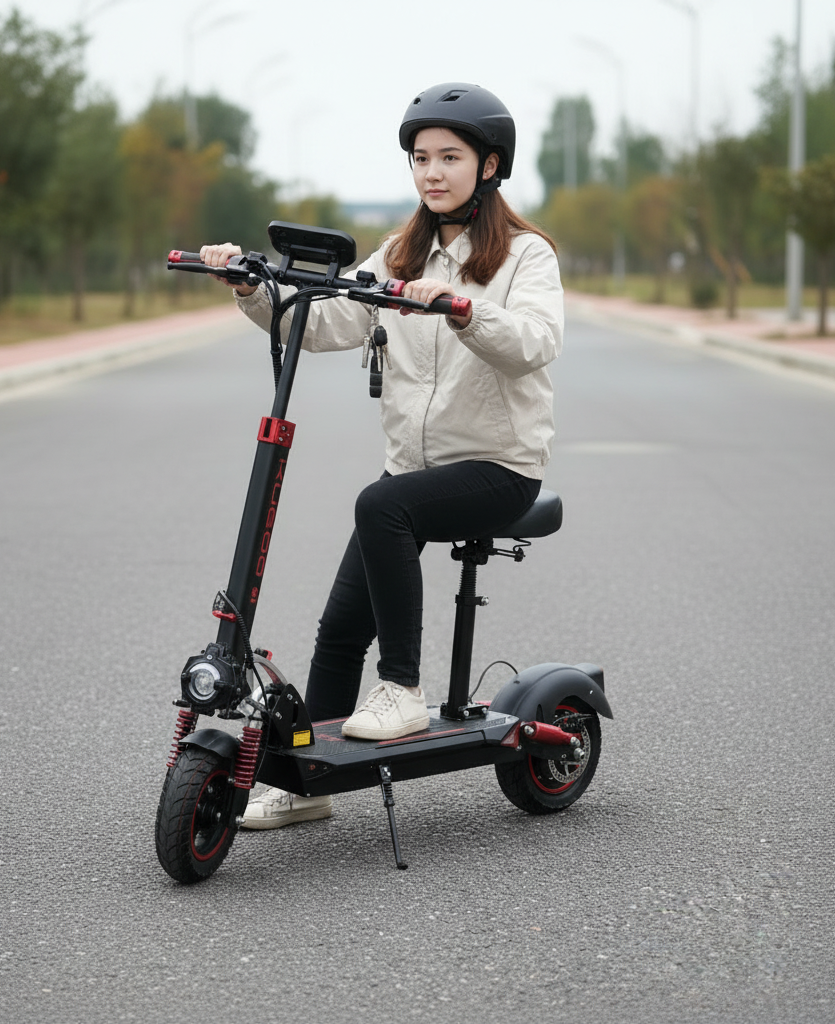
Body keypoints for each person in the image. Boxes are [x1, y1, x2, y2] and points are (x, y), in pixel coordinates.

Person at [198, 82, 564, 829]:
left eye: (450, 157)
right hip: (414, 474)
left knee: (379, 503)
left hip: (499, 467)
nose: (432, 172)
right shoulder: (399, 253)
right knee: (339, 630)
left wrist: (463, 310)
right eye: (421, 158)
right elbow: (328, 318)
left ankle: (399, 689)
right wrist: (248, 286)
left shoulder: (526, 256)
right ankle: (308, 787)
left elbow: (534, 345)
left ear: (490, 165)